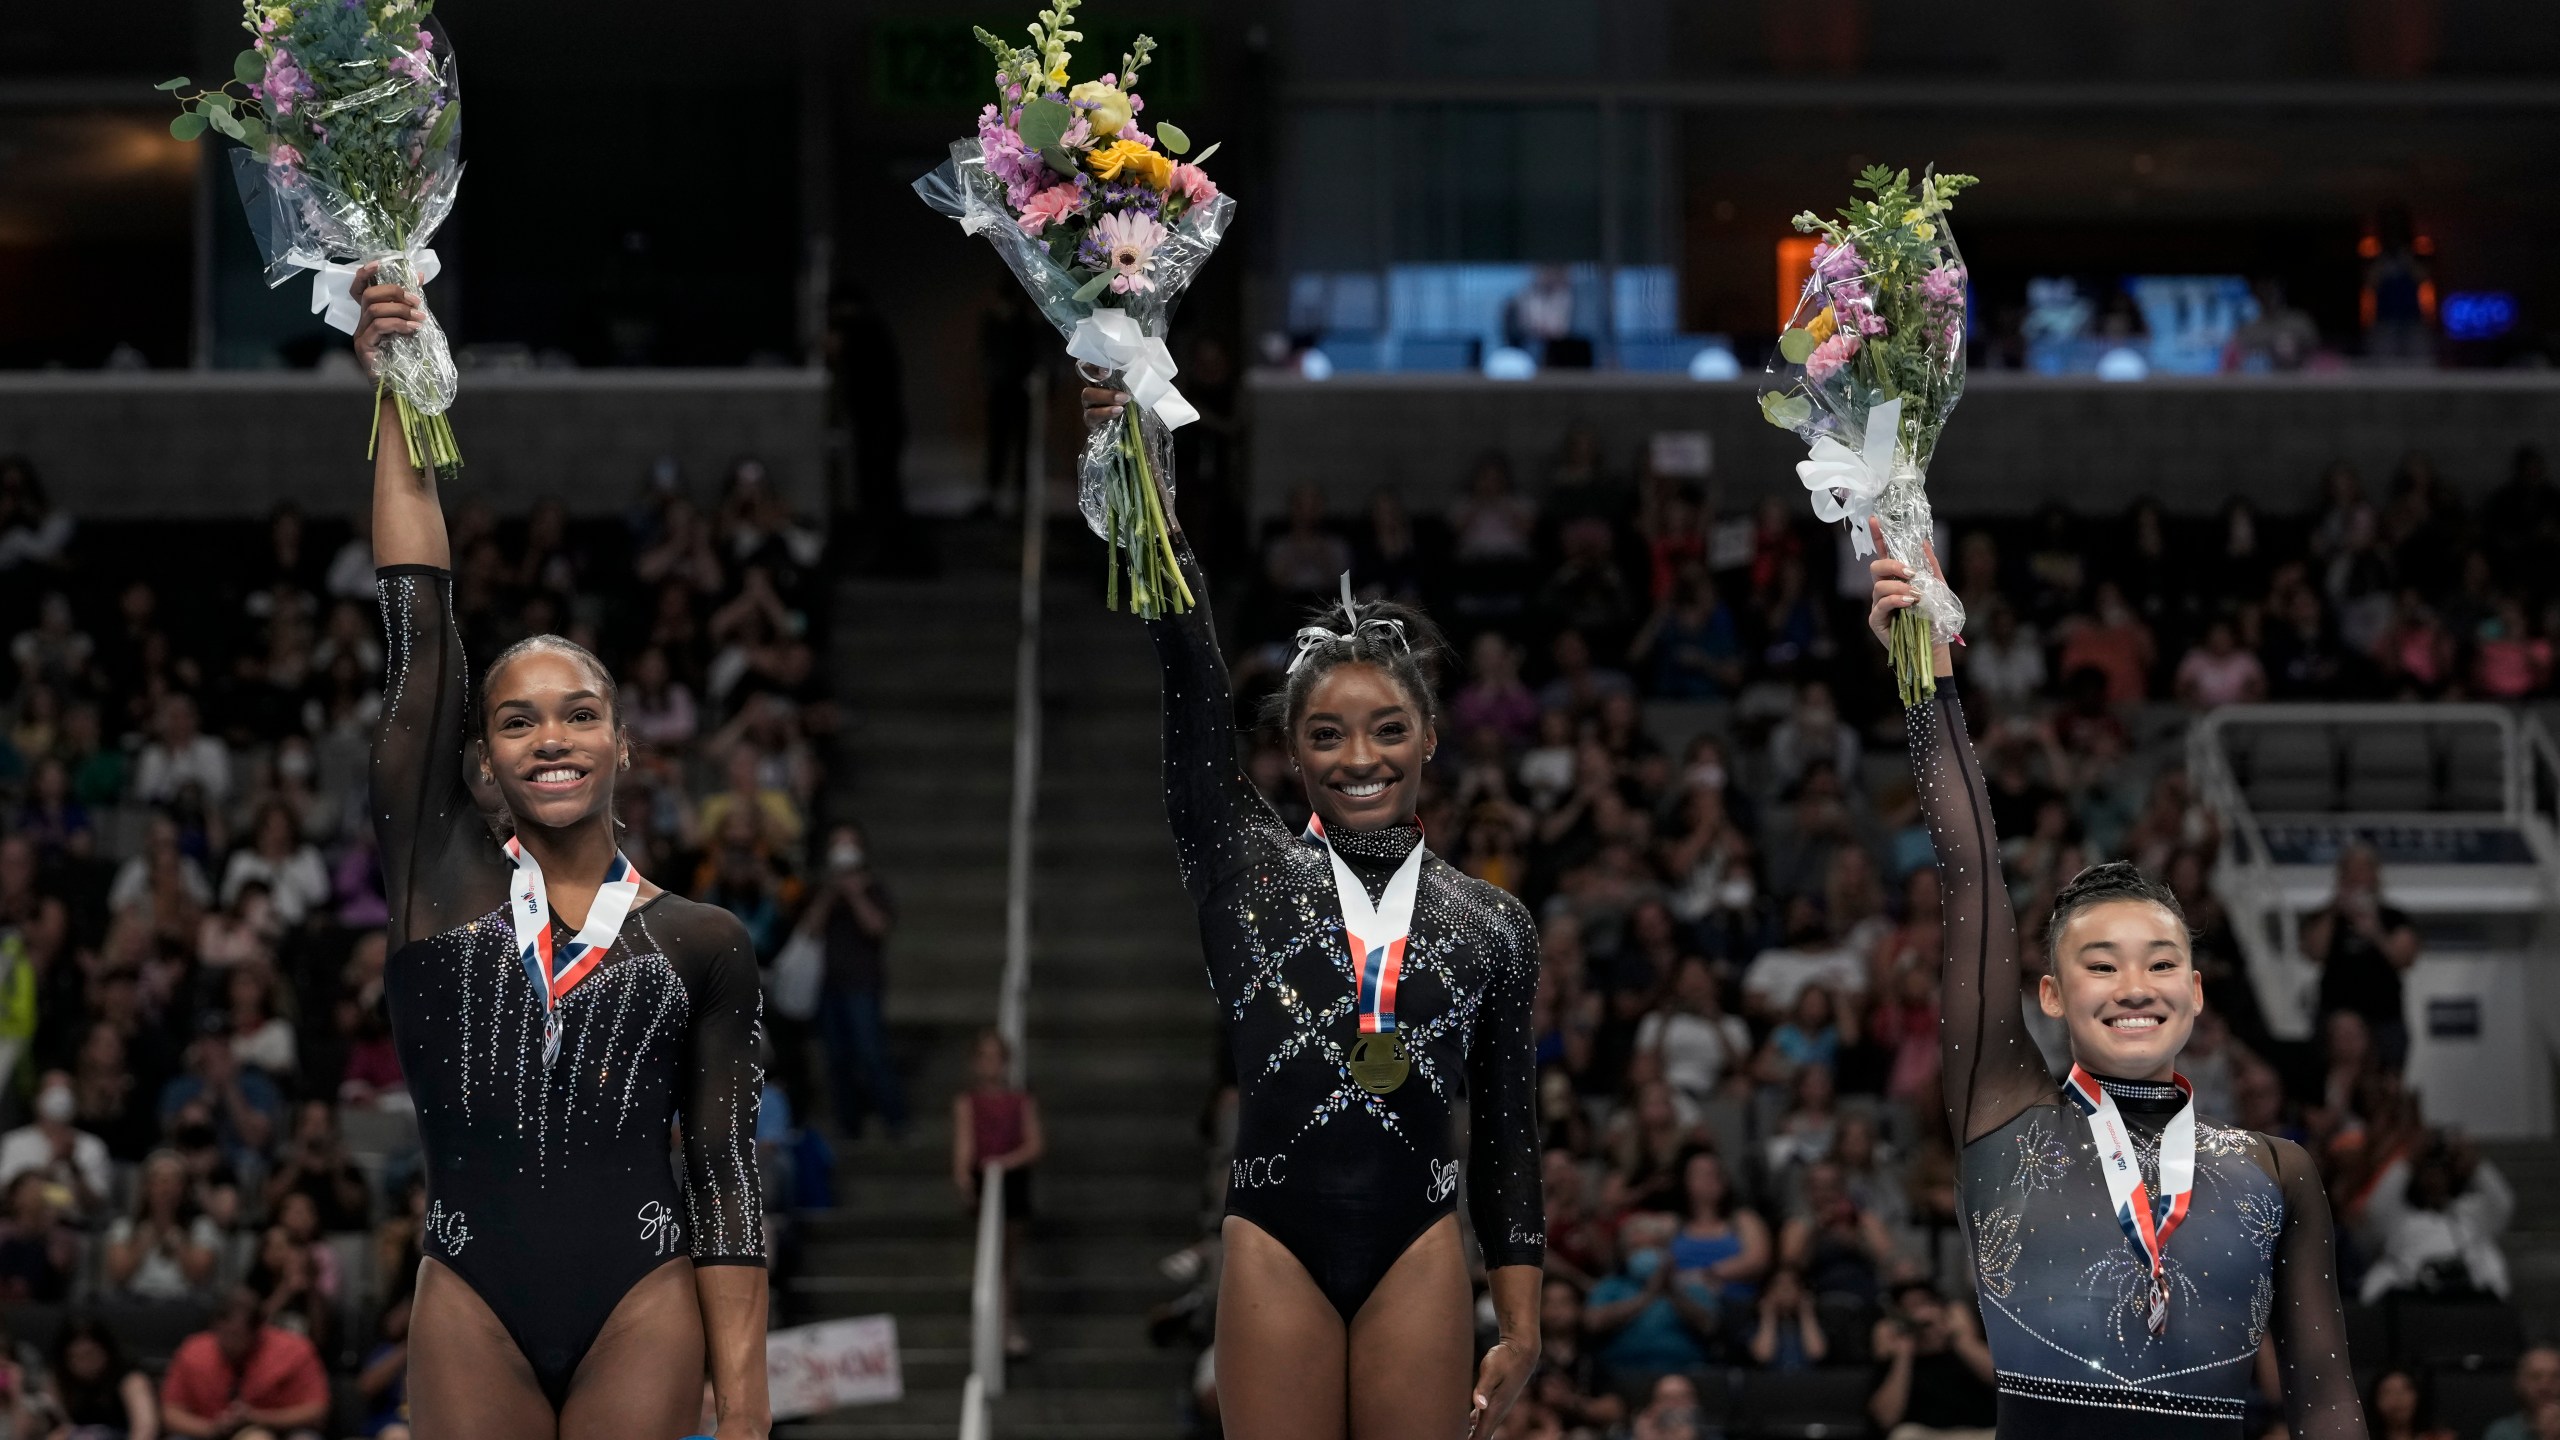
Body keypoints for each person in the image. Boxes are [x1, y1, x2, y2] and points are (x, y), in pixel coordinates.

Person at [352, 269, 769, 1439]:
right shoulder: (437, 877)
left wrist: (745, 1407)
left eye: (579, 712)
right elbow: (418, 622)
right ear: (477, 757)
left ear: (625, 744)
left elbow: (726, 1174)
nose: (552, 737)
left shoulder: (701, 944)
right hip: (469, 1296)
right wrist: (395, 390)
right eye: (518, 719)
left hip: (641, 1298)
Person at [1096, 382, 1544, 1439]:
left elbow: (1511, 1135)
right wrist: (1139, 460)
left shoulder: (1492, 925)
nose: (1360, 759)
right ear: (1291, 752)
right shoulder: (1241, 869)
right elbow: (1187, 664)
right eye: (1328, 736)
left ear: (1430, 735)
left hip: (1419, 1239)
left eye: (1387, 729)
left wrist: (1521, 1322)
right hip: (1274, 1238)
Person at [1868, 528, 2364, 1437]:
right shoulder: (2001, 1116)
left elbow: (2326, 1400)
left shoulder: (2275, 1173)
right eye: (2100, 964)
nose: (2135, 984)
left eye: (2162, 961)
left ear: (2198, 992)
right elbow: (1972, 871)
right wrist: (1925, 673)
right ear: (2050, 995)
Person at [802, 823, 905, 1141]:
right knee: (837, 1059)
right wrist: (831, 894)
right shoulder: (823, 890)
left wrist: (856, 893)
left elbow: (877, 927)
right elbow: (810, 930)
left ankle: (896, 1120)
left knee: (871, 1054)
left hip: (862, 984)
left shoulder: (875, 889)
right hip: (829, 985)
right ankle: (849, 1126)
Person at [951, 1029, 1043, 1359]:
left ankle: (1008, 1322)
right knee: (985, 1256)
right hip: (984, 1182)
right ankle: (984, 1321)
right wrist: (965, 1179)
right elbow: (964, 1147)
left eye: (996, 1057)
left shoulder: (1020, 1100)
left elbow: (1035, 1143)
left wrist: (1004, 1163)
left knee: (1009, 1259)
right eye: (984, 1057)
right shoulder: (968, 1102)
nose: (990, 1064)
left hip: (1011, 1181)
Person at [2303, 843, 2419, 1070]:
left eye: (2363, 870)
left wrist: (2375, 931)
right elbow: (2314, 952)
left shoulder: (2393, 917)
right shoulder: (2324, 917)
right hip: (2335, 1018)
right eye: (2350, 870)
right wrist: (2336, 909)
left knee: (2386, 1084)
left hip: (2384, 1018)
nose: (2357, 877)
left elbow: (2405, 958)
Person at [160, 1287, 330, 1440]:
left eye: (236, 1335)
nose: (228, 1342)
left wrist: (258, 1417)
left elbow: (316, 1410)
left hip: (280, 1430)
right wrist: (211, 1429)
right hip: (208, 1430)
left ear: (258, 1331)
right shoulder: (193, 1352)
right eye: (222, 1332)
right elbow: (171, 1413)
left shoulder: (295, 1351)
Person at [1868, 1280, 1998, 1440]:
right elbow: (1885, 1419)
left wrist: (1956, 1338)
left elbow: (2002, 1382)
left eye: (1925, 1304)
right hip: (1926, 1433)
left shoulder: (1964, 1346)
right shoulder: (1897, 1359)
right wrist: (1904, 1355)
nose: (1921, 1314)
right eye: (1910, 1307)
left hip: (1983, 1432)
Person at [0, 1069, 112, 1224]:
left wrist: (73, 1167)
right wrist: (51, 1165)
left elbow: (95, 1205)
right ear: (38, 1099)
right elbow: (7, 1195)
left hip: (73, 1228)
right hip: (22, 1227)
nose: (59, 1098)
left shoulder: (92, 1146)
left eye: (65, 1091)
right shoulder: (15, 1142)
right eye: (52, 1091)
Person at [30, 1313, 161, 1440]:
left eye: (90, 1354)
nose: (84, 1363)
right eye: (75, 1357)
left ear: (106, 1351)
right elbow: (58, 1426)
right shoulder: (57, 1379)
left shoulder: (131, 1379)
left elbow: (145, 1430)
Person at [2486, 1347, 2560, 1440]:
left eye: (2555, 1377)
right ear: (2520, 1382)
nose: (2545, 1385)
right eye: (2535, 1377)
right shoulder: (2502, 1432)